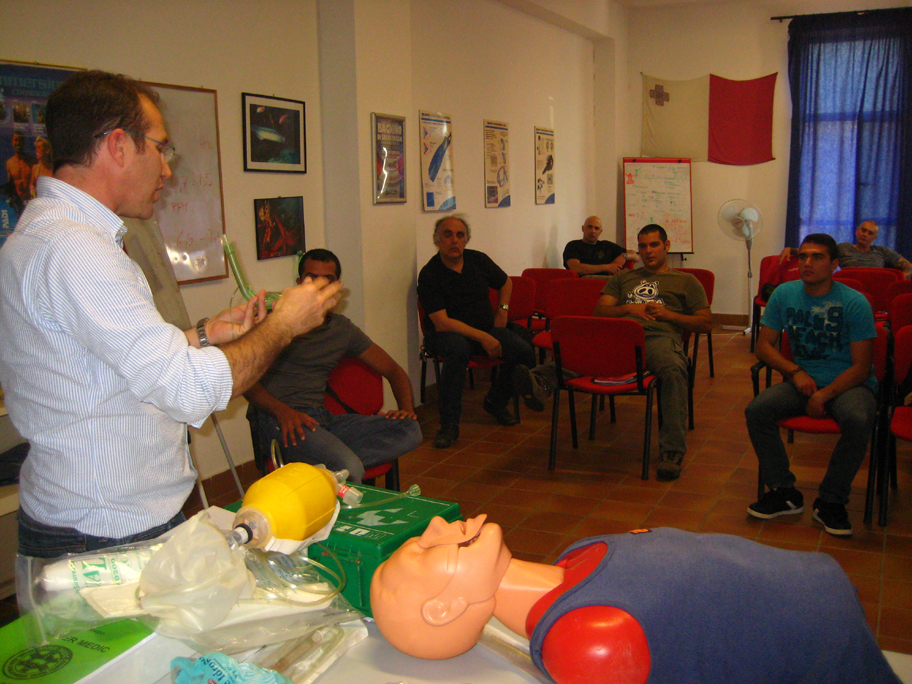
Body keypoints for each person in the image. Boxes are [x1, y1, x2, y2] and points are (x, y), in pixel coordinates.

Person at [0, 71, 342, 559]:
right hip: (104, 531)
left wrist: (203, 334)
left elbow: (107, 360)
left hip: (89, 516)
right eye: (161, 149)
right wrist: (283, 324)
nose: (166, 169)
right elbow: (187, 390)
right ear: (118, 146)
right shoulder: (76, 250)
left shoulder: (48, 233)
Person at [370, 515, 900, 684]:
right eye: (423, 550)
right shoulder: (585, 644)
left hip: (817, 591)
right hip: (825, 634)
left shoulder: (574, 560)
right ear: (442, 609)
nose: (434, 524)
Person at [515, 224, 710, 481]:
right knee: (579, 353)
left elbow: (706, 323)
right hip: (620, 336)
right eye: (643, 246)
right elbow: (601, 311)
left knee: (674, 370)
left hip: (658, 338)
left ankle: (672, 452)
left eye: (654, 245)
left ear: (666, 246)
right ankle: (540, 382)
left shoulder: (686, 281)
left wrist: (668, 315)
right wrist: (628, 309)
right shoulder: (623, 278)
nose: (648, 251)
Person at [244, 248, 422, 482]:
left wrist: (406, 409)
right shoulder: (276, 321)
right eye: (311, 278)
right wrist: (283, 412)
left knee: (410, 429)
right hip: (279, 420)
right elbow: (244, 380)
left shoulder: (342, 329)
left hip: (321, 420)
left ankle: (325, 471)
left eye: (327, 280)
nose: (319, 287)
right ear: (299, 283)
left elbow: (393, 371)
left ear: (337, 286)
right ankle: (339, 467)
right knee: (349, 467)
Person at [746, 233, 877, 537]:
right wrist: (795, 372)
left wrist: (824, 395)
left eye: (817, 257)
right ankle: (784, 492)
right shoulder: (784, 294)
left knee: (859, 418)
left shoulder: (854, 302)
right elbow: (763, 347)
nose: (807, 263)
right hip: (802, 380)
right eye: (803, 256)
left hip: (848, 384)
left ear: (833, 264)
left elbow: (862, 367)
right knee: (757, 410)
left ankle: (831, 500)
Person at [417, 214, 535, 449]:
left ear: (466, 239)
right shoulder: (430, 273)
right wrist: (483, 337)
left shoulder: (478, 260)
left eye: (460, 235)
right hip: (446, 335)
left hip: (485, 328)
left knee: (524, 352)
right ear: (437, 240)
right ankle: (449, 424)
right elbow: (442, 322)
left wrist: (502, 311)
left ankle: (495, 401)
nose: (454, 240)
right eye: (447, 235)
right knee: (458, 350)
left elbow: (506, 283)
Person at [780, 221, 912, 278]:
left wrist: (901, 279)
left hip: (876, 291)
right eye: (863, 230)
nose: (865, 234)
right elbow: (819, 252)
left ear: (874, 237)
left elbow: (909, 267)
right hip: (849, 290)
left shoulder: (882, 251)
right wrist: (791, 250)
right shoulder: (844, 248)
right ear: (857, 231)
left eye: (870, 233)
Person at [562, 214, 632, 277]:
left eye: (596, 228)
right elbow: (576, 268)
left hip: (606, 284)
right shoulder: (573, 245)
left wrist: (624, 256)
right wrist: (607, 267)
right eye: (590, 227)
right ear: (583, 228)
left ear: (600, 231)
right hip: (582, 282)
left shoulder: (606, 246)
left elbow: (634, 255)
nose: (593, 231)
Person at [5, 130, 36, 205]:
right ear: (12, 142)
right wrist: (10, 198)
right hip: (18, 202)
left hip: (31, 201)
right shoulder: (9, 163)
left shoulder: (32, 162)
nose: (18, 143)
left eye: (21, 140)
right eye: (16, 140)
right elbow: (10, 185)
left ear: (24, 143)